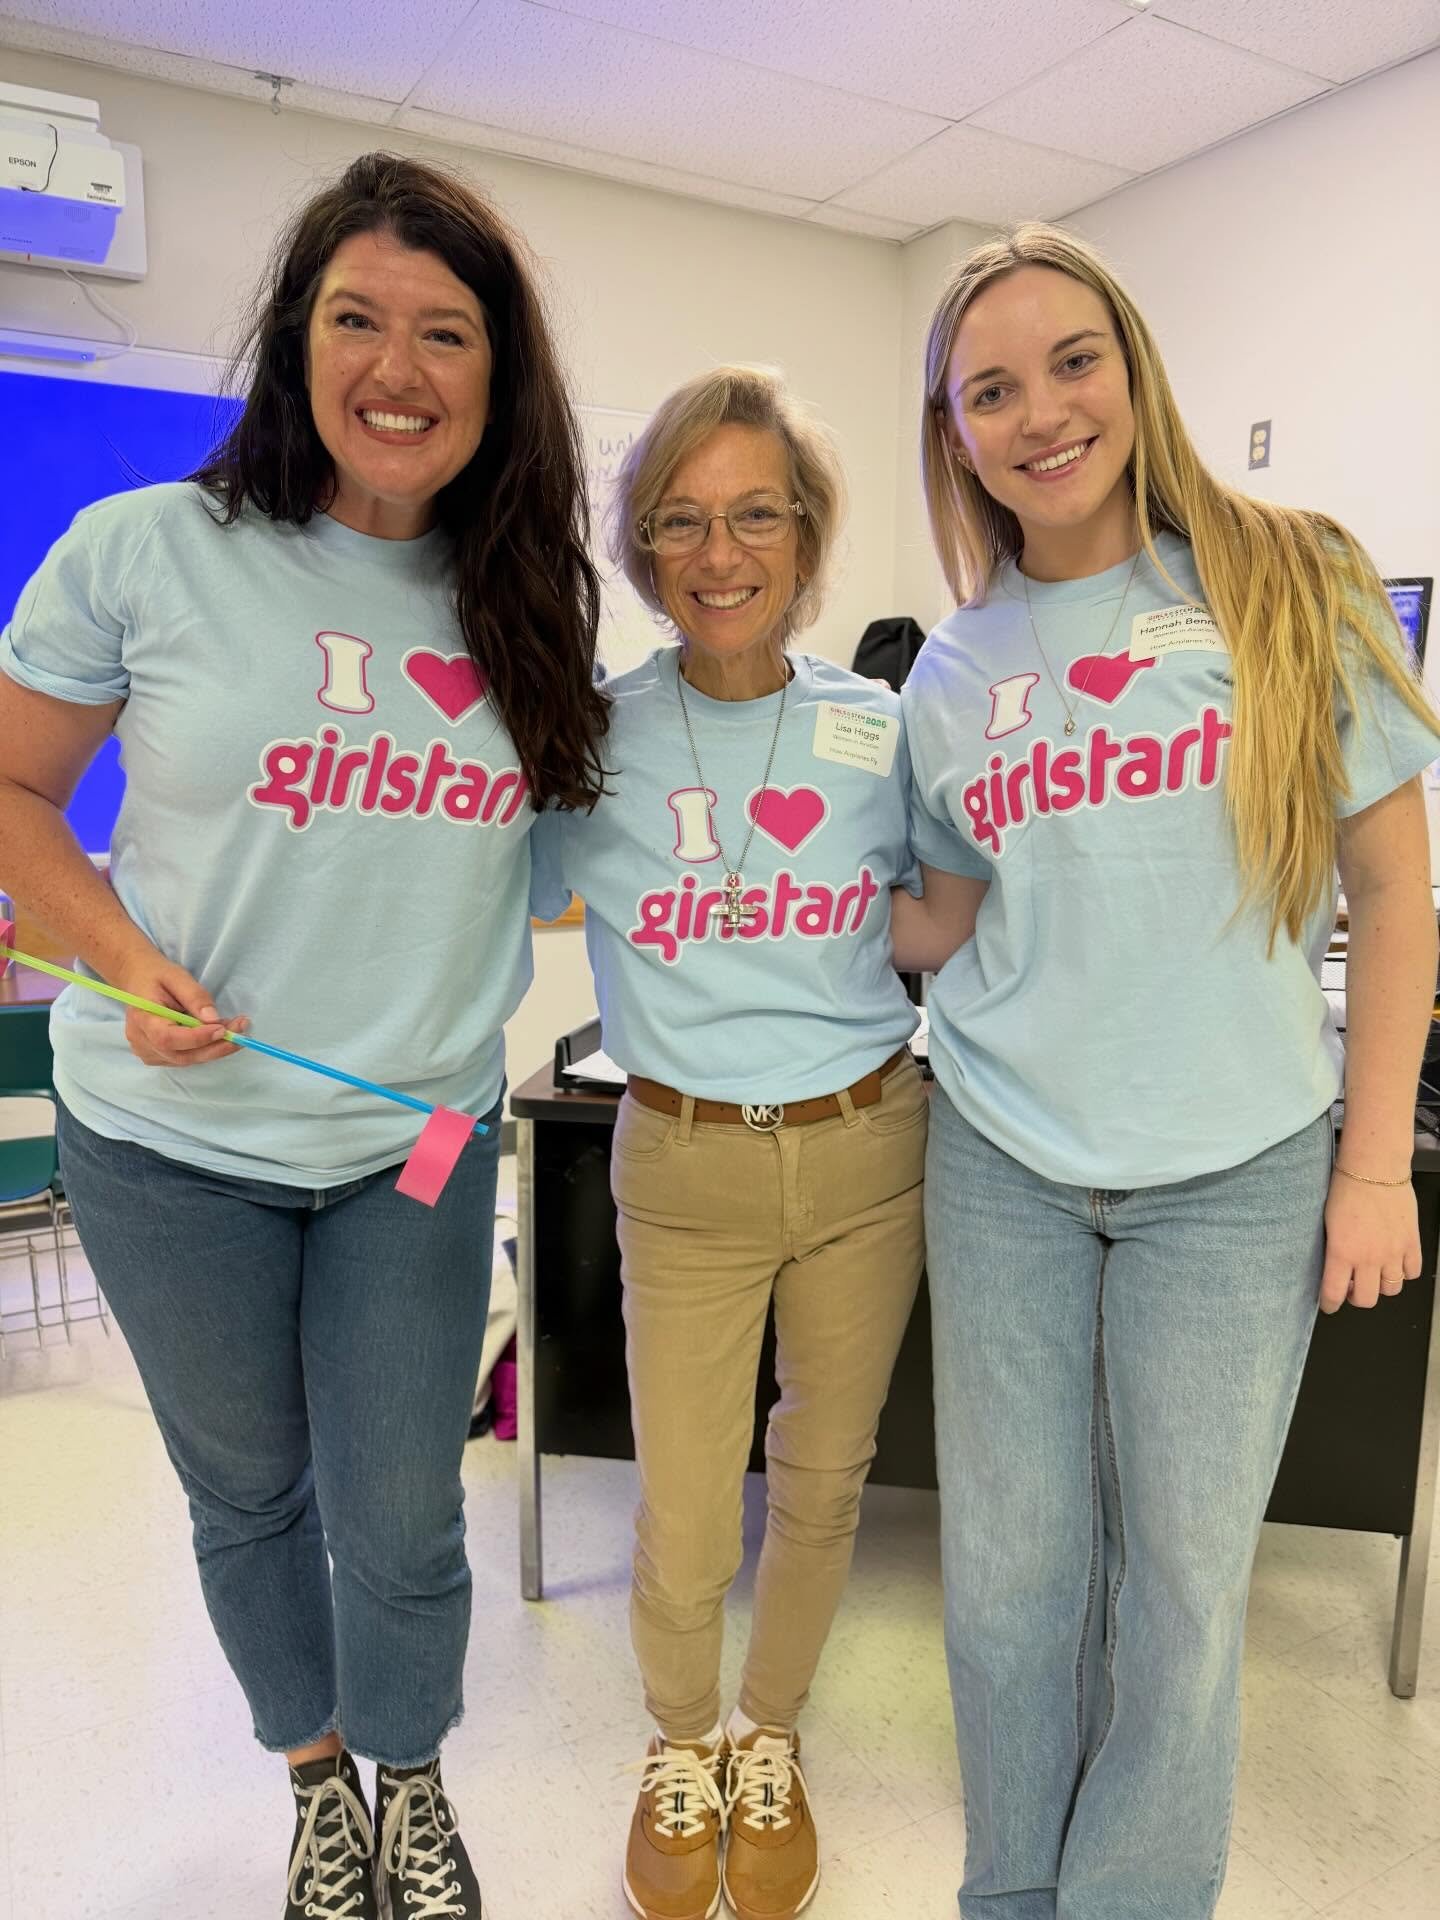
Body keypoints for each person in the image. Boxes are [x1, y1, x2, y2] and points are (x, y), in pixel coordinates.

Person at [0, 152, 608, 1920]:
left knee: (406, 1510)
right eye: (357, 319)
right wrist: (114, 954)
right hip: (167, 1151)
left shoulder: (524, 612)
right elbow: (18, 795)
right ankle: (318, 1785)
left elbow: (582, 862)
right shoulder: (148, 550)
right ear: (295, 335)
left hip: (412, 1147)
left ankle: (413, 1779)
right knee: (251, 1493)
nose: (397, 367)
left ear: (498, 377)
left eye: (445, 330)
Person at [889, 222, 1440, 1920]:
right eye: (992, 389)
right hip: (1002, 1157)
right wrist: (729, 915)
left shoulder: (1289, 579)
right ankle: (1012, 1892)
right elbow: (943, 920)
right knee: (1005, 1583)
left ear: (1132, 369)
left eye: (1072, 363)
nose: (1041, 412)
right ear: (956, 434)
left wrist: (1371, 1171)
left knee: (1185, 1587)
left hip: (1240, 1165)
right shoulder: (957, 668)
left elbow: (1393, 889)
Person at [532, 365, 927, 1920]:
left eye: (755, 513)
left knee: (824, 1475)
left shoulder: (881, 730)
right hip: (682, 1161)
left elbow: (955, 914)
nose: (720, 551)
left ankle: (772, 1736)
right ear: (644, 546)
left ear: (807, 533)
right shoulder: (599, 738)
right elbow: (471, 886)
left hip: (865, 1148)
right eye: (681, 519)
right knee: (689, 1500)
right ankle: (682, 1744)